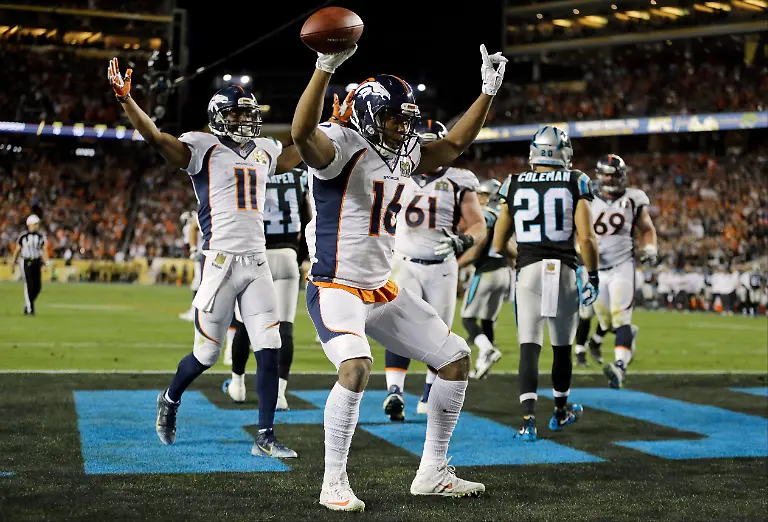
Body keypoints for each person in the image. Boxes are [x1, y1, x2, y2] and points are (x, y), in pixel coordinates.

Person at [290, 43, 507, 510]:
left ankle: (432, 471)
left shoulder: (403, 153)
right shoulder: (341, 145)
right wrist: (323, 67)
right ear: (369, 115)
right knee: (356, 367)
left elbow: (451, 146)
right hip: (335, 285)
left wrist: (487, 92)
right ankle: (333, 482)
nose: (404, 127)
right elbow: (302, 131)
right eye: (394, 118)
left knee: (454, 357)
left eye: (407, 118)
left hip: (381, 287)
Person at [107, 58, 300, 458]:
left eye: (249, 113)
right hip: (220, 264)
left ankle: (265, 435)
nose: (246, 120)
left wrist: (334, 129)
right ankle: (170, 397)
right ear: (218, 117)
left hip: (257, 262)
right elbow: (158, 140)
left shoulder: (266, 149)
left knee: (271, 344)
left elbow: (305, 152)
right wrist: (128, 101)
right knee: (206, 355)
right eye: (237, 113)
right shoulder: (202, 147)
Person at [492, 125, 599, 441]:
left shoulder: (513, 183)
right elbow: (587, 238)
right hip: (562, 270)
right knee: (562, 346)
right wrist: (592, 274)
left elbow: (498, 242)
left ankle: (527, 422)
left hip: (528, 272)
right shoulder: (575, 180)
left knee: (529, 346)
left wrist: (523, 254)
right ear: (564, 154)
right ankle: (560, 411)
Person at [381, 118, 487, 421]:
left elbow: (478, 225)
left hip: (441, 265)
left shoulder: (458, 179)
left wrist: (464, 239)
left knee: (438, 332)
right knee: (399, 324)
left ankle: (427, 395)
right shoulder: (397, 171)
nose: (426, 152)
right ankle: (395, 391)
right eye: (422, 146)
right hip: (404, 262)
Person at [225, 166, 310, 411]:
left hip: (255, 254)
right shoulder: (298, 176)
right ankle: (280, 393)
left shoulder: (250, 171)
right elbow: (307, 220)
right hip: (286, 253)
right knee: (285, 327)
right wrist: (297, 255)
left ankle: (238, 384)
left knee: (243, 323)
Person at [590, 154, 657, 389]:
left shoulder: (633, 199)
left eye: (613, 174)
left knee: (621, 317)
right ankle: (628, 337)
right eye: (606, 174)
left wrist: (650, 247)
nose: (609, 178)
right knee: (607, 324)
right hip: (594, 269)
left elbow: (647, 228)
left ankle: (619, 367)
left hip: (622, 265)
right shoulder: (586, 198)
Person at [457, 178, 512, 379]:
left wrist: (456, 265)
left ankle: (487, 350)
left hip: (487, 272)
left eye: (482, 195)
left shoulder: (488, 216)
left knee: (468, 318)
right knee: (488, 320)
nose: (479, 199)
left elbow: (478, 248)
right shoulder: (506, 214)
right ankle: (483, 364)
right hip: (504, 272)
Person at [11, 214, 49, 316]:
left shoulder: (41, 236)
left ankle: (28, 304)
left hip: (37, 262)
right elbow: (17, 250)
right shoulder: (23, 236)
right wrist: (13, 263)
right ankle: (30, 309)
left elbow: (44, 250)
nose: (37, 226)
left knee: (38, 287)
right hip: (26, 262)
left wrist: (46, 263)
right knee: (29, 285)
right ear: (30, 224)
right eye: (35, 224)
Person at [179, 210, 203, 322]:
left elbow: (187, 244)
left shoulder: (189, 228)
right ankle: (195, 311)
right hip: (207, 254)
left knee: (197, 284)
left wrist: (192, 250)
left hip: (201, 256)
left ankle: (195, 312)